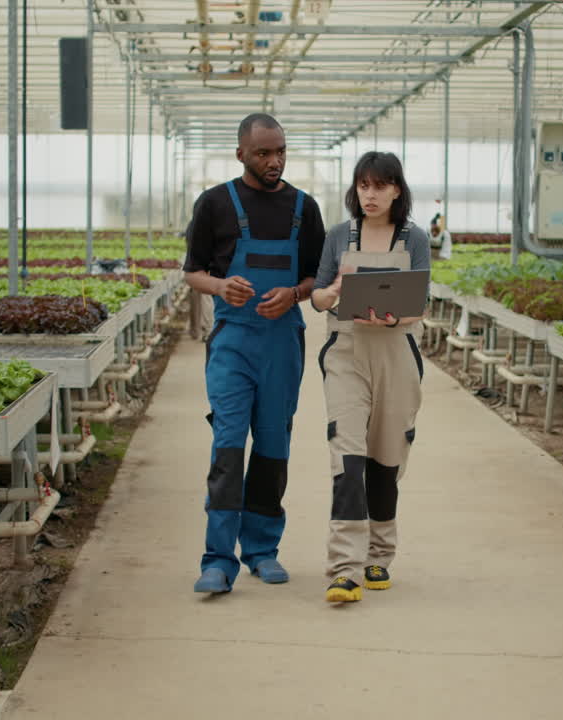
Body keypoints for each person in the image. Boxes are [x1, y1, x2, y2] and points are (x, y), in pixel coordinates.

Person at [183, 113, 326, 595]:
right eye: (263, 152)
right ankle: (218, 558)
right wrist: (222, 286)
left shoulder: (304, 208)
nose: (274, 160)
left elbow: (316, 278)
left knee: (272, 446)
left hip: (282, 343)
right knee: (227, 445)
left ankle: (263, 551)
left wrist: (295, 293)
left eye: (280, 151)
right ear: (241, 152)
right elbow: (192, 273)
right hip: (233, 343)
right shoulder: (215, 204)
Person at [309, 151, 431, 603]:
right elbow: (318, 297)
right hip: (347, 351)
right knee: (348, 455)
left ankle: (379, 553)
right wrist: (335, 290)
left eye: (380, 185)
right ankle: (344, 568)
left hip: (396, 351)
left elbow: (422, 301)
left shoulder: (414, 238)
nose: (370, 194)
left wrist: (396, 317)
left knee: (387, 455)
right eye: (363, 185)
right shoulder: (339, 236)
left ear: (397, 189)